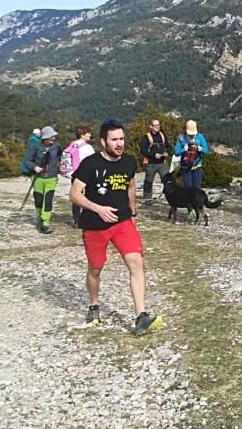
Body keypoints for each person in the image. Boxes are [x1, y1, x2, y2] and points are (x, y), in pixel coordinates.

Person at [69, 119, 163, 334]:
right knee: (95, 269)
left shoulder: (129, 162)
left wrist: (133, 209)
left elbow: (130, 185)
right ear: (104, 141)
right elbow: (74, 195)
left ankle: (141, 316)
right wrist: (97, 208)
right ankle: (94, 305)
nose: (119, 143)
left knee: (136, 263)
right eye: (114, 140)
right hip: (95, 226)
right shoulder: (91, 164)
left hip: (122, 222)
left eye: (121, 139)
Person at [24, 126, 61, 233]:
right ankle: (39, 218)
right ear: (45, 137)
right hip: (38, 178)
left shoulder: (57, 146)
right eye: (51, 136)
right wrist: (34, 167)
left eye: (54, 136)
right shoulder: (35, 146)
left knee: (48, 200)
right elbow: (27, 160)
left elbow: (61, 155)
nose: (53, 138)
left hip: (52, 178)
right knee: (39, 201)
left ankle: (46, 223)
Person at [66, 125, 95, 227]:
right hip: (86, 174)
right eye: (88, 133)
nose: (90, 134)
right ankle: (88, 218)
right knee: (89, 195)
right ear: (83, 134)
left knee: (76, 196)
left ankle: (76, 220)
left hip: (74, 173)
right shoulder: (87, 147)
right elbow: (93, 161)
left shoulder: (73, 144)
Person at [140, 118, 170, 202]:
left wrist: (167, 152)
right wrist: (154, 155)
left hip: (162, 163)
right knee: (148, 182)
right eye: (155, 125)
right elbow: (142, 150)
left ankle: (170, 198)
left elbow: (168, 146)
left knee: (168, 181)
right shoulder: (146, 137)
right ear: (151, 126)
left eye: (158, 125)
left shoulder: (162, 135)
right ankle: (147, 200)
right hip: (151, 163)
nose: (157, 127)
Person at [174, 120, 209, 189]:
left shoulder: (200, 137)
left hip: (197, 166)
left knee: (197, 188)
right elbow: (176, 153)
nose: (192, 135)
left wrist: (201, 149)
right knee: (188, 188)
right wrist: (183, 150)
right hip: (185, 167)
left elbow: (206, 151)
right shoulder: (181, 138)